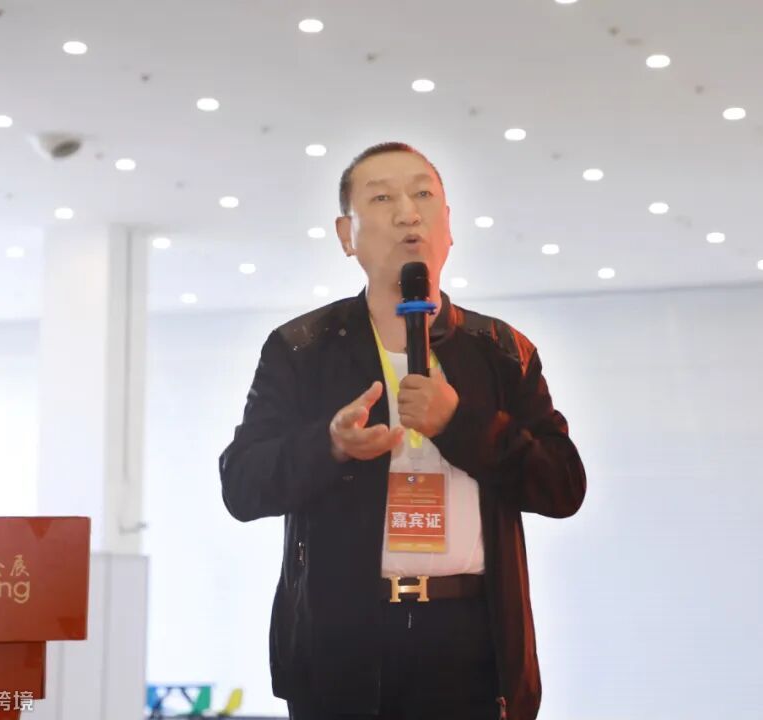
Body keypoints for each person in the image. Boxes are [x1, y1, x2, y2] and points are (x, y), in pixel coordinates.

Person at [219, 142, 586, 720]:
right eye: (382, 198)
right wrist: (330, 446)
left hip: (474, 645)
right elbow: (241, 485)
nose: (408, 213)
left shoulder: (502, 351)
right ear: (347, 235)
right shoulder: (302, 350)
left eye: (422, 195)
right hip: (342, 643)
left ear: (448, 227)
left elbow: (563, 486)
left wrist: (461, 425)